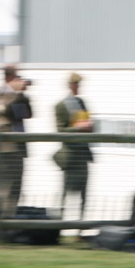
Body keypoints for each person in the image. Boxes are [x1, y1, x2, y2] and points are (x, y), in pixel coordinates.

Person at [0, 65, 33, 219]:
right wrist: (12, 91)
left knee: (16, 188)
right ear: (8, 78)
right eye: (16, 76)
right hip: (4, 147)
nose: (19, 79)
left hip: (19, 147)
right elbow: (3, 109)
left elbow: (28, 113)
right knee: (3, 187)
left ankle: (11, 222)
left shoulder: (18, 95)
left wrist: (21, 93)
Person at [54, 72, 93, 219]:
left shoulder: (82, 103)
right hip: (70, 156)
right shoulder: (60, 106)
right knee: (66, 190)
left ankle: (80, 227)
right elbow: (60, 130)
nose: (78, 87)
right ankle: (60, 223)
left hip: (83, 153)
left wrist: (88, 126)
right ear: (70, 85)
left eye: (79, 84)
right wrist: (79, 128)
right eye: (76, 84)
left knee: (84, 193)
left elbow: (88, 124)